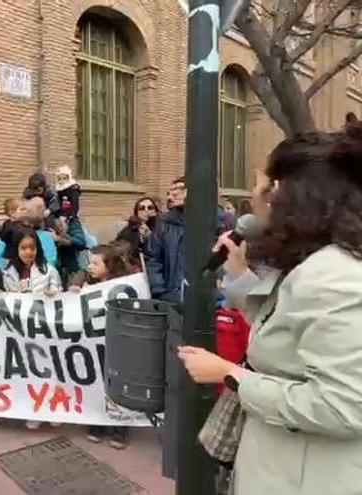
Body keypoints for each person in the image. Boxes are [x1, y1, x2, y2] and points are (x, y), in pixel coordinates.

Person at [179, 127, 362, 495]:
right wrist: (239, 275)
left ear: (286, 193)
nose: (253, 197)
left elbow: (345, 405)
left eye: (262, 185)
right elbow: (286, 330)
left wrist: (231, 375)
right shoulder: (314, 262)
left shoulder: (332, 274)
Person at [2, 227, 61, 430]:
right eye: (24, 248)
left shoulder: (48, 269)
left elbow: (60, 292)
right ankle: (34, 409)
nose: (28, 252)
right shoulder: (9, 273)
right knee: (29, 371)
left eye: (32, 248)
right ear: (16, 249)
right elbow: (8, 298)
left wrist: (53, 292)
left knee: (50, 370)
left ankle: (53, 407)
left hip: (45, 327)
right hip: (22, 330)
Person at [80, 243, 135, 448]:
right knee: (96, 382)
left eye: (95, 263)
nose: (89, 267)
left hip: (117, 343)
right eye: (88, 262)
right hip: (94, 343)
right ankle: (98, 422)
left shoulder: (124, 286)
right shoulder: (86, 284)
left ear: (109, 265)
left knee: (118, 383)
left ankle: (121, 427)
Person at [146, 177, 187, 306]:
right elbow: (153, 258)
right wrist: (160, 290)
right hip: (169, 297)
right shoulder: (164, 224)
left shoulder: (213, 223)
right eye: (171, 190)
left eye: (180, 189)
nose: (173, 194)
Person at [115, 197, 160, 266]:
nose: (146, 210)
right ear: (137, 212)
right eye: (142, 208)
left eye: (150, 207)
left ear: (155, 211)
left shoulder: (163, 228)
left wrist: (150, 238)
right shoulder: (128, 230)